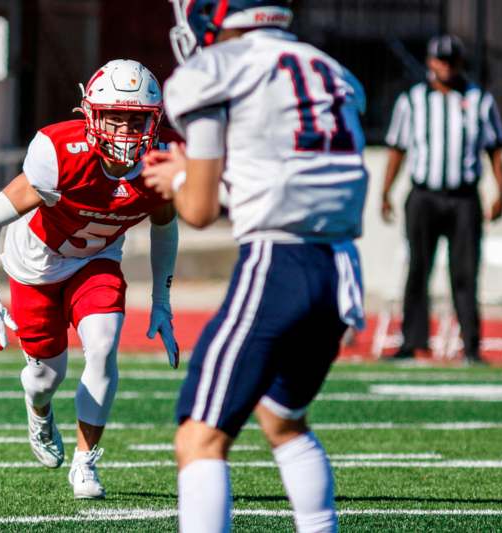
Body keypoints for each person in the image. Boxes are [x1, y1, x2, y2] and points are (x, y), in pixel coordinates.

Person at [143, 1, 367, 531]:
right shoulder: (330, 70)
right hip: (341, 266)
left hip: (277, 262)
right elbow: (283, 168)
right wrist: (203, 175)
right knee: (283, 420)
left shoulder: (216, 69)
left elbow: (196, 212)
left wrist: (178, 181)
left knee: (199, 437)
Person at [0, 59, 180, 500]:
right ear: (91, 115)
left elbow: (165, 225)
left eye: (137, 119)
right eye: (115, 118)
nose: (125, 131)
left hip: (96, 260)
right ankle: (39, 409)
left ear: (155, 120)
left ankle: (86, 462)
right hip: (36, 265)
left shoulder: (163, 162)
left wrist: (161, 299)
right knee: (46, 377)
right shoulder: (58, 152)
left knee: (103, 347)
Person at [381, 34, 502, 363]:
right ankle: (413, 342)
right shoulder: (412, 100)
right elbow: (397, 149)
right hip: (423, 194)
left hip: (464, 197)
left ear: (460, 63)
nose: (446, 67)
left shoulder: (480, 100)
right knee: (418, 270)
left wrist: (501, 192)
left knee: (465, 272)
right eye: (441, 60)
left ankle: (472, 346)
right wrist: (385, 192)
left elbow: (495, 150)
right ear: (429, 62)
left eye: (451, 61)